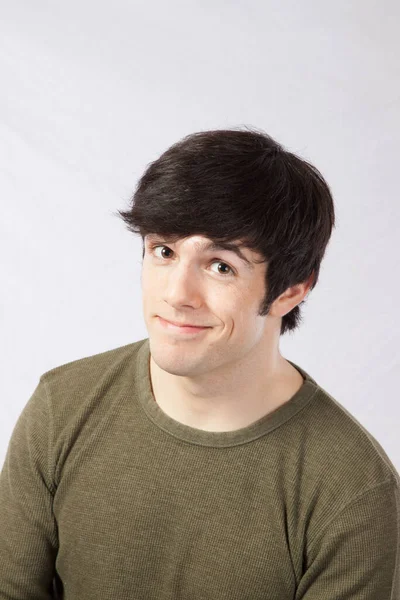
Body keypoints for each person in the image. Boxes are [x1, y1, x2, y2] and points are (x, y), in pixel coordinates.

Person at [0, 127, 399, 599]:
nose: (176, 295)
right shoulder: (61, 407)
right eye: (163, 252)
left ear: (292, 289)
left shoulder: (352, 490)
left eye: (221, 265)